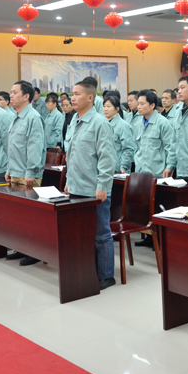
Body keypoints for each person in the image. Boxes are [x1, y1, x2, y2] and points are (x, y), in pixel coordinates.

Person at [64, 79, 117, 290]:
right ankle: (88, 270)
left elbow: (107, 158)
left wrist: (102, 185)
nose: (72, 98)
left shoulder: (99, 123)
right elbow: (72, 155)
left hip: (95, 189)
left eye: (77, 94)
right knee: (82, 234)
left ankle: (106, 275)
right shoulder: (75, 120)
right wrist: (68, 181)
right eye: (72, 94)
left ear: (90, 97)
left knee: (101, 234)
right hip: (76, 187)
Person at [5, 80, 46, 266]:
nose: (11, 96)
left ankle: (34, 251)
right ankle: (21, 248)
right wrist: (9, 169)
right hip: (15, 172)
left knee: (30, 215)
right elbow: (13, 147)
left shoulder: (33, 117)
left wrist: (31, 171)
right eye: (11, 92)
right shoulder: (16, 116)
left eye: (14, 92)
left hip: (28, 175)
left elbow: (35, 147)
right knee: (18, 214)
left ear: (26, 96)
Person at [133, 90, 176, 178]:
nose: (139, 107)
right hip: (140, 173)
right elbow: (136, 148)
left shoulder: (163, 123)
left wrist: (169, 167)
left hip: (158, 174)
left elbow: (170, 148)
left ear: (152, 105)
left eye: (142, 104)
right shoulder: (137, 124)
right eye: (138, 104)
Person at [103, 95, 134, 174]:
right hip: (104, 167)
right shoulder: (102, 124)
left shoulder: (123, 126)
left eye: (108, 106)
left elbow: (128, 149)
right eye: (104, 106)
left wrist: (123, 167)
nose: (105, 109)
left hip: (118, 169)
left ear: (117, 109)